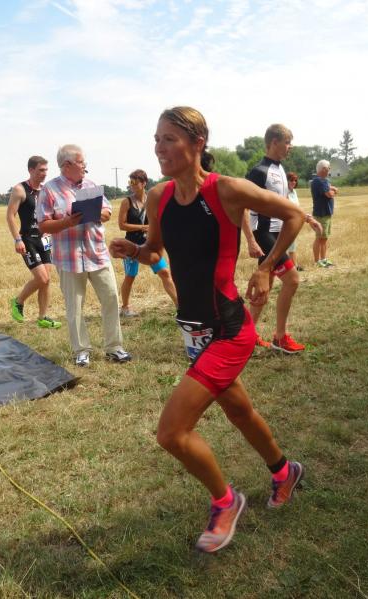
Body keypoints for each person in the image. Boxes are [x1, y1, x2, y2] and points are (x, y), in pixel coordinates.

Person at [110, 106, 306, 554]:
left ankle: (225, 501)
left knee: (171, 432)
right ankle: (284, 471)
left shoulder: (227, 191)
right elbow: (155, 250)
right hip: (193, 329)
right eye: (156, 139)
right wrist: (134, 250)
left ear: (198, 143)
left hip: (229, 328)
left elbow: (293, 215)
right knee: (239, 411)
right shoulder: (158, 197)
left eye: (169, 139)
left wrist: (266, 267)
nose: (159, 148)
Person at [37, 144, 131, 367]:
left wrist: (97, 213)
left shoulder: (92, 185)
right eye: (81, 162)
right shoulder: (49, 190)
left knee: (111, 298)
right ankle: (81, 350)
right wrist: (67, 222)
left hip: (97, 253)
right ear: (67, 165)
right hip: (69, 258)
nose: (85, 166)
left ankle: (114, 347)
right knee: (75, 306)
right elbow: (43, 225)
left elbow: (107, 211)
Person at [241, 124, 305, 353]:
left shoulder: (280, 170)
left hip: (279, 233)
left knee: (264, 286)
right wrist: (251, 240)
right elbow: (242, 207)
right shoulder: (259, 171)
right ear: (274, 142)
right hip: (264, 234)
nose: (290, 147)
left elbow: (284, 205)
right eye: (287, 142)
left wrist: (305, 217)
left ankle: (246, 336)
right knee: (292, 280)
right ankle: (280, 337)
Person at [6, 155, 61, 329]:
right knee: (42, 278)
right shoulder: (20, 190)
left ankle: (43, 317)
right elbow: (10, 216)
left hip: (44, 240)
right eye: (41, 170)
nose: (44, 173)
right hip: (27, 239)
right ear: (31, 170)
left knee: (47, 280)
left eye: (46, 170)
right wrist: (17, 239)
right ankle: (18, 301)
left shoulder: (46, 190)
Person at [117, 169, 178, 317]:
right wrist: (142, 227)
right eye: (130, 182)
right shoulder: (126, 202)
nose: (131, 185)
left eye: (134, 182)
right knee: (130, 276)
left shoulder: (151, 200)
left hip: (150, 245)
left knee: (164, 273)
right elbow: (121, 225)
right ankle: (125, 307)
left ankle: (180, 307)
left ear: (144, 183)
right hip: (131, 245)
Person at [310, 159, 338, 268]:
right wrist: (333, 190)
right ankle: (317, 261)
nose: (329, 170)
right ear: (323, 169)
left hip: (326, 214)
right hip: (321, 214)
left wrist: (331, 188)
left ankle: (323, 259)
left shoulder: (322, 181)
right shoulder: (320, 181)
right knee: (319, 238)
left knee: (324, 238)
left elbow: (329, 189)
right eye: (328, 168)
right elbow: (329, 194)